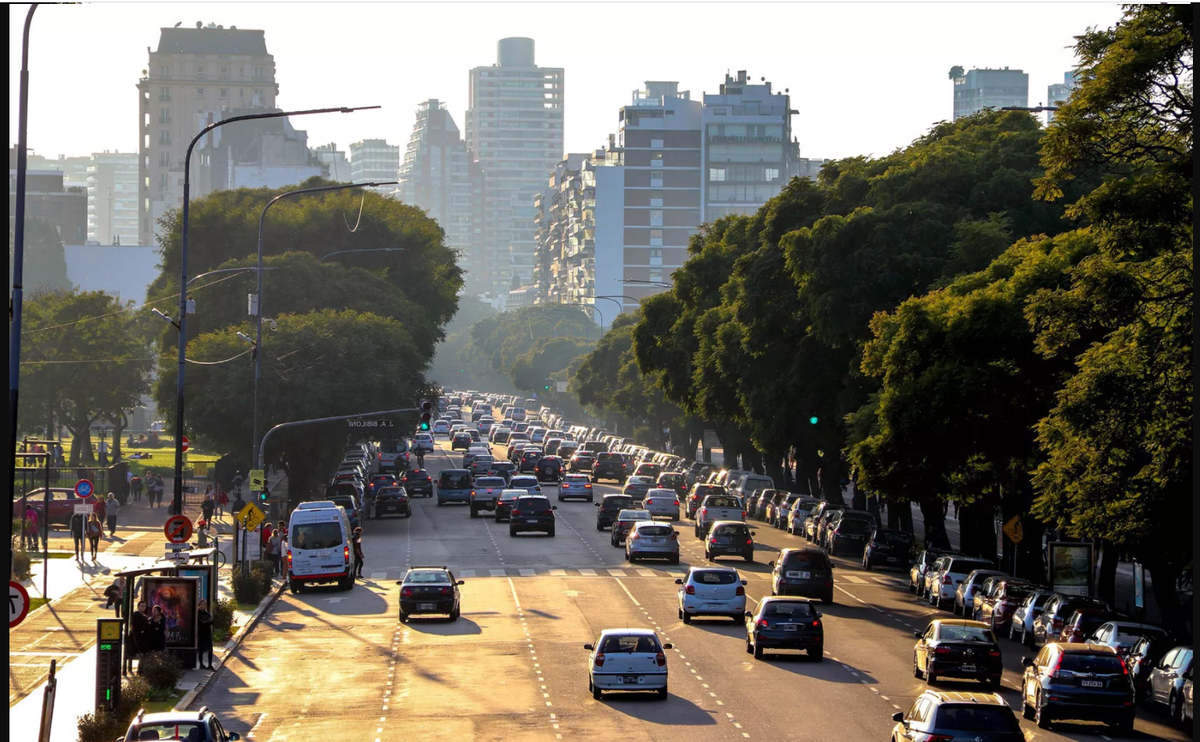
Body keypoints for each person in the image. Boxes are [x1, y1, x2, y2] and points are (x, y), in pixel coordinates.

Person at [127, 601, 149, 675]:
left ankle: (141, 670)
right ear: (138, 607)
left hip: (143, 638)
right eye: (142, 606)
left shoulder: (143, 615)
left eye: (144, 606)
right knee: (143, 654)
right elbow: (135, 628)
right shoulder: (136, 615)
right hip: (138, 638)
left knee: (144, 654)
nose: (143, 607)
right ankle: (140, 671)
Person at [196, 599, 214, 670]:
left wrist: (207, 622)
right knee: (201, 649)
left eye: (204, 604)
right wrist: (207, 622)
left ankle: (210, 665)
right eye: (201, 604)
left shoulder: (207, 613)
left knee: (210, 649)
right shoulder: (197, 614)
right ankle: (201, 664)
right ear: (199, 605)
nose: (203, 606)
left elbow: (212, 620)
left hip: (208, 633)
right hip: (201, 633)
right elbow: (201, 623)